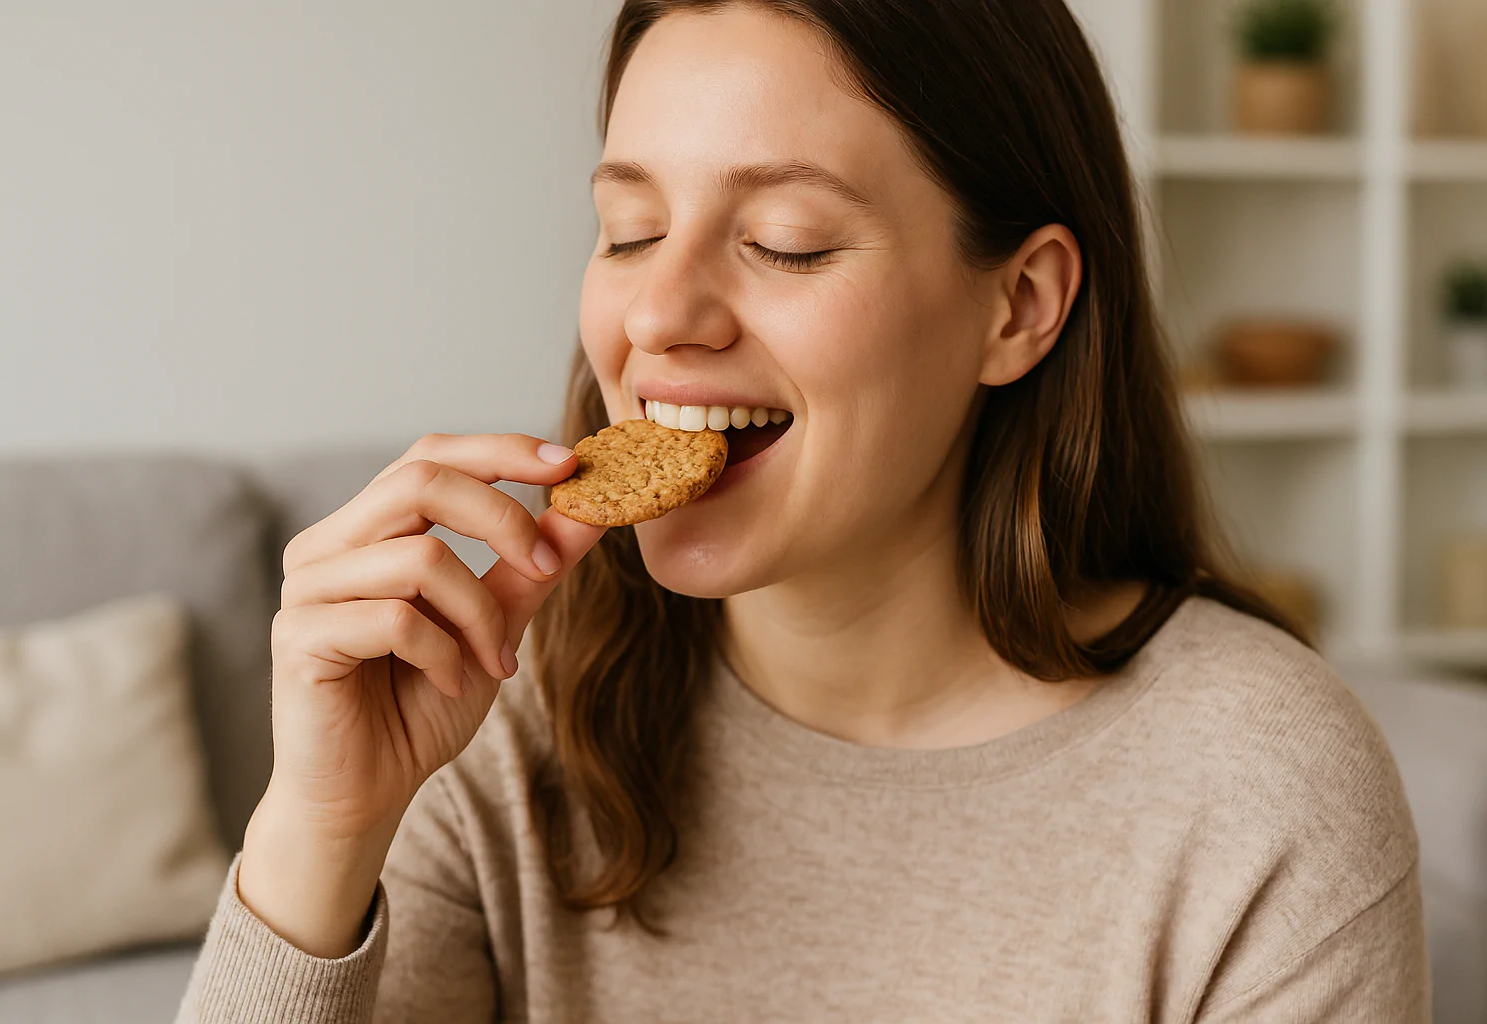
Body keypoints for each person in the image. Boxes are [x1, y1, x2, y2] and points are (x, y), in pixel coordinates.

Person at [177, 1, 1428, 1020]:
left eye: (785, 241)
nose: (659, 313)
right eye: (630, 229)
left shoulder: (1258, 786)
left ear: (1021, 305)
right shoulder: (506, 708)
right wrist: (321, 831)